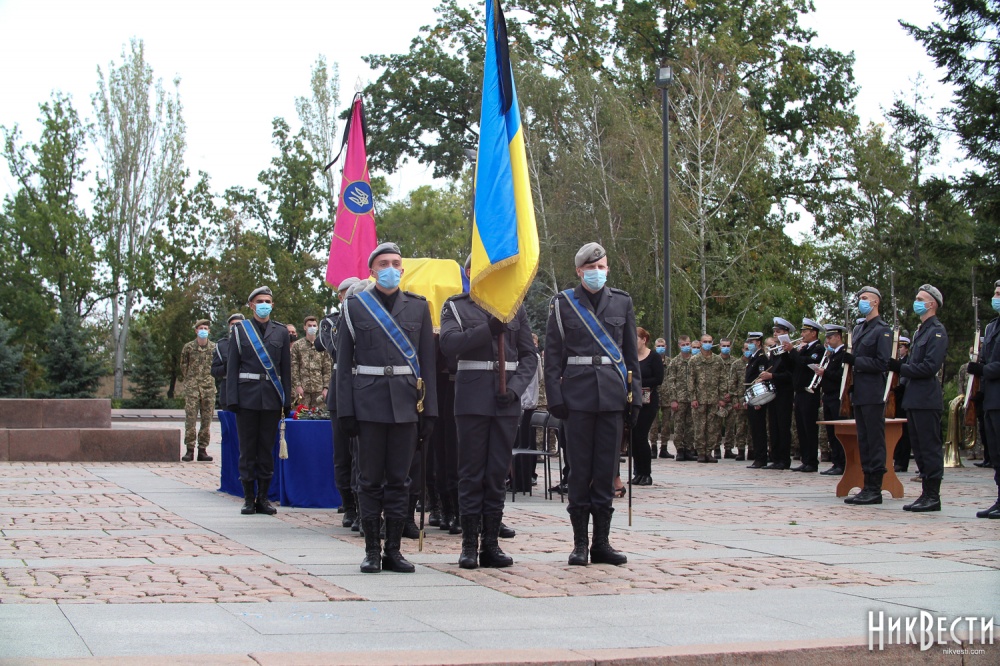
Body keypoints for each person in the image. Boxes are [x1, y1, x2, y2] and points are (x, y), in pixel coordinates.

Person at [336, 243, 438, 573]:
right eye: (383, 264)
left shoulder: (418, 307)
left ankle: (393, 550)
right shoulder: (355, 306)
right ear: (372, 271)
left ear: (402, 270)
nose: (390, 268)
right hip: (368, 405)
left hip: (407, 405)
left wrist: (430, 411)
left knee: (399, 480)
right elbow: (344, 363)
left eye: (395, 263)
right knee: (368, 480)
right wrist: (345, 410)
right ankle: (371, 551)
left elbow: (427, 363)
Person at [545, 242, 640, 566]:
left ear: (607, 269)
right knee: (579, 471)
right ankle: (580, 544)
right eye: (591, 268)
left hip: (612, 398)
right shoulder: (563, 304)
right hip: (577, 399)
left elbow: (630, 356)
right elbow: (552, 356)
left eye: (601, 267)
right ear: (579, 271)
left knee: (605, 471)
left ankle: (601, 543)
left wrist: (634, 398)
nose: (597, 272)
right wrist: (555, 397)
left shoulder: (622, 302)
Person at [439, 269, 537, 569]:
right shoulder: (455, 306)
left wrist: (516, 389)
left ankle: (491, 544)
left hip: (505, 401)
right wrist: (488, 330)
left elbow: (529, 355)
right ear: (471, 272)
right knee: (471, 474)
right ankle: (469, 544)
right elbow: (449, 345)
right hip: (472, 400)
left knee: (497, 474)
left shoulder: (514, 306)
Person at [226, 287, 292, 516]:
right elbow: (232, 367)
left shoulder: (281, 332)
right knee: (247, 449)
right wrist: (231, 398)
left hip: (271, 398)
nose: (264, 304)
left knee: (266, 449)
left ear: (272, 305)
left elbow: (285, 370)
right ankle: (247, 498)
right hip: (246, 398)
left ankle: (263, 498)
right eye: (260, 301)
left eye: (268, 301)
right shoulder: (240, 330)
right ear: (251, 305)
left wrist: (286, 399)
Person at [890, 285, 948, 511]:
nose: (916, 302)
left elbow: (929, 366)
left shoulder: (936, 331)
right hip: (914, 397)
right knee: (920, 448)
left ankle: (933, 495)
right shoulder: (920, 331)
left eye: (920, 299)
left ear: (932, 304)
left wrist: (901, 368)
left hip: (926, 398)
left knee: (929, 447)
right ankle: (925, 493)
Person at [315, 277, 360, 528]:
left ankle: (363, 504)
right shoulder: (330, 322)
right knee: (343, 453)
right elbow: (336, 349)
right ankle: (349, 506)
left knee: (363, 454)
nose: (349, 297)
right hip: (340, 392)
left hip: (364, 391)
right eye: (346, 294)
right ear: (340, 297)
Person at [842, 286, 892, 505]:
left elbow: (883, 363)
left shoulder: (883, 330)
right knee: (863, 439)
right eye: (860, 298)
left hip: (873, 391)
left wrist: (857, 362)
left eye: (865, 298)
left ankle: (875, 487)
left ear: (875, 302)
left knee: (874, 439)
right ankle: (867, 483)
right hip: (860, 391)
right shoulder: (860, 329)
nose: (861, 301)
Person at [967, 279, 1000, 518]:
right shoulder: (992, 326)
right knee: (996, 452)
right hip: (991, 398)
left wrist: (984, 370)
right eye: (996, 293)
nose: (996, 297)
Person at [789, 318, 825, 473]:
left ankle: (812, 461)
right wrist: (792, 352)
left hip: (810, 392)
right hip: (799, 392)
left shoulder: (818, 349)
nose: (802, 334)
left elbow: (806, 363)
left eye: (805, 331)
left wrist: (793, 351)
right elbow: (794, 364)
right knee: (801, 428)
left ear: (813, 333)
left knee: (809, 427)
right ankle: (805, 459)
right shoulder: (803, 348)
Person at [180, 319, 217, 462]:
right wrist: (191, 381)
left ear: (209, 331)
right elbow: (183, 365)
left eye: (206, 328)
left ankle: (202, 449)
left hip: (208, 389)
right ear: (196, 330)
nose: (203, 330)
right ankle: (189, 449)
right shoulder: (188, 347)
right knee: (190, 419)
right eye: (201, 328)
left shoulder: (214, 347)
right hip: (192, 389)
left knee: (207, 420)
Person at [760, 318, 795, 469]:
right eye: (774, 331)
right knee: (773, 426)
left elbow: (790, 374)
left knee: (783, 426)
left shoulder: (790, 351)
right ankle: (775, 457)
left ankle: (784, 459)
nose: (775, 334)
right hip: (773, 391)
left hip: (784, 392)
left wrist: (772, 376)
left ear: (786, 333)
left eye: (779, 331)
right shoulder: (775, 350)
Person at [631, 327, 663, 484]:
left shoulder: (653, 357)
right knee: (633, 437)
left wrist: (638, 383)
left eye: (636, 338)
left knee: (641, 436)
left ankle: (646, 473)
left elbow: (658, 379)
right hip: (633, 400)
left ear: (644, 340)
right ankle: (637, 472)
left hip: (648, 401)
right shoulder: (630, 357)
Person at [689, 333, 726, 463]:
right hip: (699, 399)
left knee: (712, 427)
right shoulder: (694, 360)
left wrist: (722, 398)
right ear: (700, 343)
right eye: (705, 341)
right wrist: (693, 398)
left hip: (713, 398)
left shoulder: (718, 360)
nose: (707, 344)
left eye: (710, 341)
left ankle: (709, 452)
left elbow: (723, 380)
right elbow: (691, 380)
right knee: (699, 427)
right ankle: (700, 452)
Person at [818, 325, 847, 476]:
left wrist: (825, 373)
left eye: (830, 338)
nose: (827, 341)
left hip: (837, 396)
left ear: (838, 337)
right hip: (828, 396)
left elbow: (841, 376)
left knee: (838, 432)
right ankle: (836, 462)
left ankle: (842, 463)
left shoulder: (843, 354)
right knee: (831, 432)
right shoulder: (832, 355)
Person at [290, 316, 332, 410]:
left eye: (314, 325)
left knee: (319, 416)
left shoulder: (323, 346)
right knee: (301, 416)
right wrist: (298, 386)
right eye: (309, 325)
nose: (312, 327)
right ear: (304, 327)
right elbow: (294, 367)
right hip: (303, 391)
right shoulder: (297, 345)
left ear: (317, 327)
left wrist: (326, 388)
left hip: (319, 391)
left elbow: (327, 368)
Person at [666, 336, 696, 461]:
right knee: (679, 425)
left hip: (692, 398)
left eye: (688, 344)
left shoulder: (695, 360)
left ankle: (688, 449)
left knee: (691, 425)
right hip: (680, 398)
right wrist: (673, 399)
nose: (686, 346)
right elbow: (671, 381)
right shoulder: (675, 362)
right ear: (679, 345)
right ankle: (679, 449)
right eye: (683, 344)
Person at [744, 332, 770, 468]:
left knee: (759, 429)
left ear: (758, 343)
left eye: (752, 342)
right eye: (748, 342)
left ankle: (761, 458)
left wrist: (758, 400)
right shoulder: (753, 357)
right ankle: (758, 457)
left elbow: (760, 380)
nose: (749, 344)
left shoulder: (761, 358)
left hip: (757, 398)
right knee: (754, 429)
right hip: (751, 397)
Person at [892, 337, 912, 473]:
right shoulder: (895, 361)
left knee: (904, 432)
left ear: (906, 349)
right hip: (895, 399)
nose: (899, 350)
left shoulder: (907, 362)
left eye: (901, 347)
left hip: (903, 397)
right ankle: (896, 458)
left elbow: (905, 380)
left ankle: (902, 462)